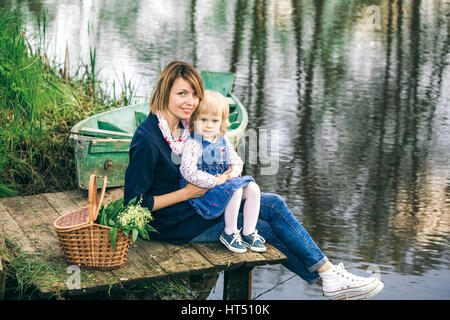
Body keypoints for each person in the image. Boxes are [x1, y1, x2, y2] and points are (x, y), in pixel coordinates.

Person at [124, 61, 384, 300]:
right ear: (164, 92)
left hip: (199, 206)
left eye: (194, 94)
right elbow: (133, 205)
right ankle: (326, 278)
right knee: (267, 225)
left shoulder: (184, 128)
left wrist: (224, 171)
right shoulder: (148, 139)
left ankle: (327, 277)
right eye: (182, 93)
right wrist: (188, 193)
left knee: (272, 204)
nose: (190, 101)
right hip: (175, 223)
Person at [179, 90, 266, 254]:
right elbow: (188, 172)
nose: (209, 125)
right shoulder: (194, 143)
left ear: (222, 122)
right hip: (203, 190)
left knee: (253, 188)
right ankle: (229, 232)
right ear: (194, 119)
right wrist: (215, 181)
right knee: (235, 189)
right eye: (203, 119)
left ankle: (248, 232)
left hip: (223, 183)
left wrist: (233, 173)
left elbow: (237, 161)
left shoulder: (222, 139)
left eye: (214, 120)